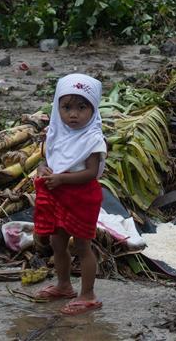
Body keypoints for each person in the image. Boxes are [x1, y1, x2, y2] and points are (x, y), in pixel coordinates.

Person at [33, 73, 107, 316]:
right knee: (57, 241)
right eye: (66, 107)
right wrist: (43, 169)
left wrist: (62, 178)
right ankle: (64, 285)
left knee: (83, 246)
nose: (73, 114)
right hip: (59, 194)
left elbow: (92, 173)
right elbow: (49, 160)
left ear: (93, 108)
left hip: (82, 196)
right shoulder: (56, 132)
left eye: (82, 107)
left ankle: (88, 295)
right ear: (57, 107)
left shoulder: (93, 138)